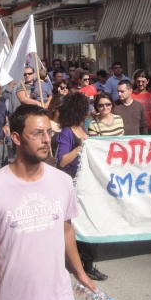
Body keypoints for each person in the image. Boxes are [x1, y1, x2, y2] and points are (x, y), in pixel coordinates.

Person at [0, 104, 96, 300]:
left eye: (48, 132)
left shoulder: (62, 182)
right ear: (16, 138)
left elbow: (66, 230)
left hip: (59, 298)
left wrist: (80, 273)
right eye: (37, 133)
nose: (46, 139)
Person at [56, 93, 108, 281]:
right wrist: (80, 147)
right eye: (85, 108)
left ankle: (85, 262)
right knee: (79, 223)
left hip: (86, 182)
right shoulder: (66, 133)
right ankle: (84, 264)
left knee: (88, 221)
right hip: (72, 183)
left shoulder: (84, 128)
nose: (89, 111)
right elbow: (61, 160)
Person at [131, 70, 151, 135]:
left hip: (150, 129)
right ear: (135, 81)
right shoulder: (131, 95)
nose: (140, 84)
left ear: (147, 81)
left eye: (143, 81)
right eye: (138, 81)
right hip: (136, 129)